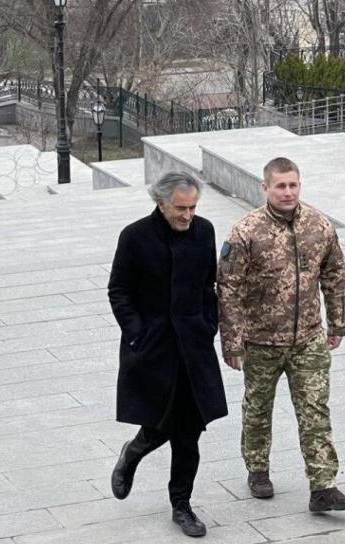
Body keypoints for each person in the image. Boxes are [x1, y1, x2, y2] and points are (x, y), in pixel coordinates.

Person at [217, 157, 345, 513]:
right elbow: (228, 289)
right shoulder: (245, 232)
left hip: (308, 339)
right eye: (280, 185)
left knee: (315, 410)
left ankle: (323, 486)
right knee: (258, 409)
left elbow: (335, 273)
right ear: (265, 188)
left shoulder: (318, 225)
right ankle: (258, 469)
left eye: (293, 184)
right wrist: (232, 342)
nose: (288, 192)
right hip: (260, 341)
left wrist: (337, 323)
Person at [108, 171, 228, 538]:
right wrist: (137, 333)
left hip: (193, 346)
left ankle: (182, 505)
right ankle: (132, 453)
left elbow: (209, 283)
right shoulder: (134, 237)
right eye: (180, 208)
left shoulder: (204, 231)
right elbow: (119, 290)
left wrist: (210, 323)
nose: (188, 215)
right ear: (160, 203)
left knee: (189, 430)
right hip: (154, 346)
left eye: (192, 208)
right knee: (161, 421)